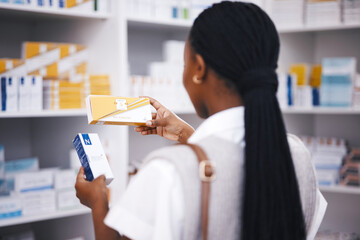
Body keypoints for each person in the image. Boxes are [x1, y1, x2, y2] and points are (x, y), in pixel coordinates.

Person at [75, 2, 326, 240]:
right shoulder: (296, 156)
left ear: (199, 69)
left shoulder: (168, 171)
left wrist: (98, 202)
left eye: (185, 64)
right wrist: (188, 136)